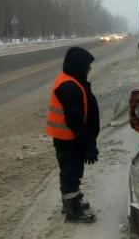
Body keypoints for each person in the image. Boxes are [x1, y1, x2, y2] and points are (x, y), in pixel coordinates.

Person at [46, 47, 100, 223]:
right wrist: (88, 146)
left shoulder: (73, 81)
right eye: (87, 66)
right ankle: (72, 211)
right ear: (78, 66)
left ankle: (72, 200)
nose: (89, 69)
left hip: (70, 138)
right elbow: (75, 122)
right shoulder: (68, 86)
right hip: (68, 138)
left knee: (73, 171)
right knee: (70, 172)